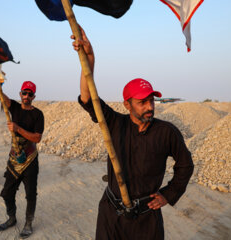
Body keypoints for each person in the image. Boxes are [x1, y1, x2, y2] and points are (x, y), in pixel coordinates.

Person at [72, 27, 194, 240]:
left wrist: (168, 194)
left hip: (146, 219)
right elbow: (87, 96)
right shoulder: (114, 123)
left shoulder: (167, 132)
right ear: (127, 105)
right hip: (112, 215)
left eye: (151, 100)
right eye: (142, 102)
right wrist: (89, 57)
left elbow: (185, 165)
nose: (149, 107)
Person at [0, 63, 44, 239]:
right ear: (20, 94)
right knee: (7, 192)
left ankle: (28, 223)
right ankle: (12, 217)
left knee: (30, 194)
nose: (26, 96)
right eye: (24, 93)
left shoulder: (38, 114)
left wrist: (18, 129)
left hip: (30, 158)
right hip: (14, 158)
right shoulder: (12, 106)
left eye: (29, 93)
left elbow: (37, 138)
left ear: (33, 96)